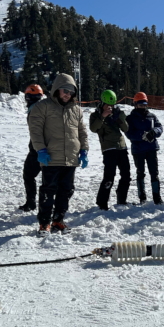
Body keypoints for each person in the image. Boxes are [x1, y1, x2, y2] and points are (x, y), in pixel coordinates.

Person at [28, 74, 89, 235]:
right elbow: (35, 130)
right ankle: (44, 223)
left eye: (71, 91)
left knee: (66, 190)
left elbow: (82, 132)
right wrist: (40, 149)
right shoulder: (43, 106)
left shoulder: (76, 110)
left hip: (70, 158)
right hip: (51, 158)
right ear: (57, 90)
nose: (68, 94)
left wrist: (84, 150)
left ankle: (58, 220)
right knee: (48, 190)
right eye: (65, 90)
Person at [89, 89, 130, 210]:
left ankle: (122, 199)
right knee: (109, 177)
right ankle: (102, 202)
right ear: (102, 103)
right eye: (108, 105)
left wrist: (118, 119)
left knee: (126, 175)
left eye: (112, 105)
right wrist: (103, 116)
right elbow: (93, 128)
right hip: (108, 148)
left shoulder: (119, 112)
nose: (110, 107)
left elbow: (126, 129)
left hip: (121, 147)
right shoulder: (95, 115)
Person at [126, 92, 163, 204]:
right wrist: (143, 135)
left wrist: (154, 132)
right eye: (140, 104)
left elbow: (159, 127)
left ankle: (157, 197)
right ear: (135, 104)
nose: (142, 107)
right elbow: (129, 133)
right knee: (140, 173)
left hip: (151, 148)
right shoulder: (130, 118)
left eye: (144, 104)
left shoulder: (152, 116)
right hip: (138, 150)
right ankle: (142, 197)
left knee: (154, 173)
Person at [18, 84, 45, 212]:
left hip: (37, 148)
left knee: (28, 175)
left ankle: (31, 202)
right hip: (46, 147)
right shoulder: (43, 108)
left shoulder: (33, 110)